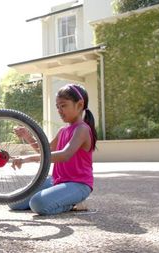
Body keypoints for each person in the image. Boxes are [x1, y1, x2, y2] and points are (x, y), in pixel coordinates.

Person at [9, 84, 97, 215]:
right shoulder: (63, 131)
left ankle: (73, 203)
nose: (60, 110)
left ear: (79, 105)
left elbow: (65, 155)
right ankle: (57, 198)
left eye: (63, 105)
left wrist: (27, 159)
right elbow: (44, 151)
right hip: (56, 181)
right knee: (13, 201)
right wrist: (27, 136)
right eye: (57, 107)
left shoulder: (82, 129)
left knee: (37, 204)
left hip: (78, 185)